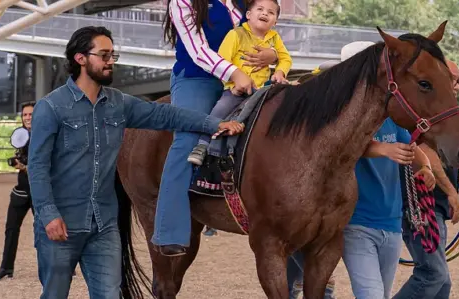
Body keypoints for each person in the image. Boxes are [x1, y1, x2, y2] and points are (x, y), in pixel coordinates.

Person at [27, 26, 244, 298]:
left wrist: (216, 123)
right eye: (104, 55)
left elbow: (167, 116)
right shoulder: (50, 108)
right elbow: (37, 166)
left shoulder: (118, 103)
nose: (110, 62)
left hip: (104, 226)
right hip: (61, 225)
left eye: (112, 56)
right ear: (80, 58)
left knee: (110, 294)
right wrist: (48, 215)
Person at [287, 41, 436, 299]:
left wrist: (425, 166)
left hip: (391, 224)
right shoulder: (338, 119)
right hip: (357, 223)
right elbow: (335, 147)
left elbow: (411, 147)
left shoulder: (391, 117)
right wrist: (382, 149)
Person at [153, 0, 280, 257]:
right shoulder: (183, 2)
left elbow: (263, 32)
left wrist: (274, 56)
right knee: (188, 138)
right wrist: (234, 73)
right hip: (197, 78)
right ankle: (169, 231)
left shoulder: (245, 2)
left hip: (249, 79)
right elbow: (197, 49)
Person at [392, 59, 459, 299]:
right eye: (454, 79)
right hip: (421, 205)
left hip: (434, 208)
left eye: (458, 81)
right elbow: (429, 156)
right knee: (432, 275)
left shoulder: (438, 113)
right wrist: (452, 192)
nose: (456, 86)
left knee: (442, 281)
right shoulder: (424, 113)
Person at [187, 0, 292, 165]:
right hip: (235, 90)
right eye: (260, 9)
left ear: (275, 21)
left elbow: (286, 58)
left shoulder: (275, 39)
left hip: (261, 90)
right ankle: (202, 145)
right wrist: (232, 84)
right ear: (248, 15)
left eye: (271, 13)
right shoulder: (236, 34)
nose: (265, 13)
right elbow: (222, 60)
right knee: (220, 110)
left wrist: (280, 72)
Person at [0, 101, 36, 281]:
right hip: (21, 191)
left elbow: (44, 168)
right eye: (25, 115)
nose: (28, 118)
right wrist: (21, 163)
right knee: (11, 229)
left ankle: (63, 266)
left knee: (45, 232)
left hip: (40, 193)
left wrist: (23, 166)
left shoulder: (46, 137)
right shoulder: (21, 137)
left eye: (31, 114)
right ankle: (6, 268)